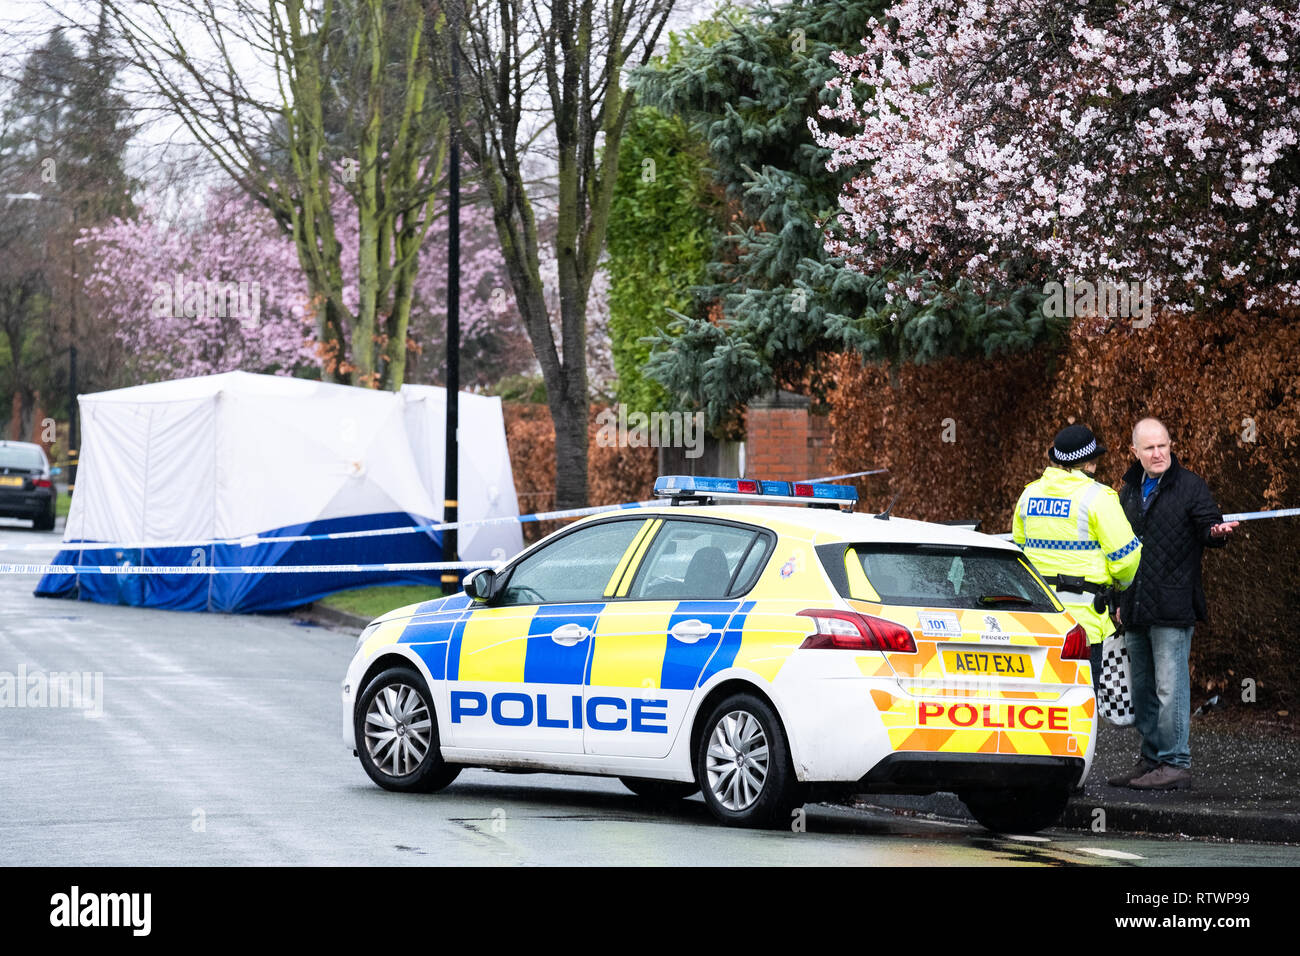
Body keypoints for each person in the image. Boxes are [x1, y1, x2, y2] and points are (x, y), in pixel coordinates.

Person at [1108, 417, 1237, 791]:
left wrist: (1216, 533)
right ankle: (1151, 760)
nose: (1159, 452)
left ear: (1170, 444)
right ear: (1134, 452)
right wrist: (1118, 598)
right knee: (1144, 690)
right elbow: (1117, 550)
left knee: (1171, 689)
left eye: (1163, 445)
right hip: (1133, 607)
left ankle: (1175, 763)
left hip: (1173, 606)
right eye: (1149, 448)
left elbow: (1208, 527)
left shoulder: (1191, 486)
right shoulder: (1127, 492)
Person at [1013, 425, 1142, 697]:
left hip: (1036, 621)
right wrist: (1121, 586)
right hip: (1083, 627)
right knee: (1079, 704)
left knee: (1037, 702)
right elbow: (1127, 558)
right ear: (1090, 462)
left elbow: (1019, 553)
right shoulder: (1099, 498)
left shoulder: (1028, 495)